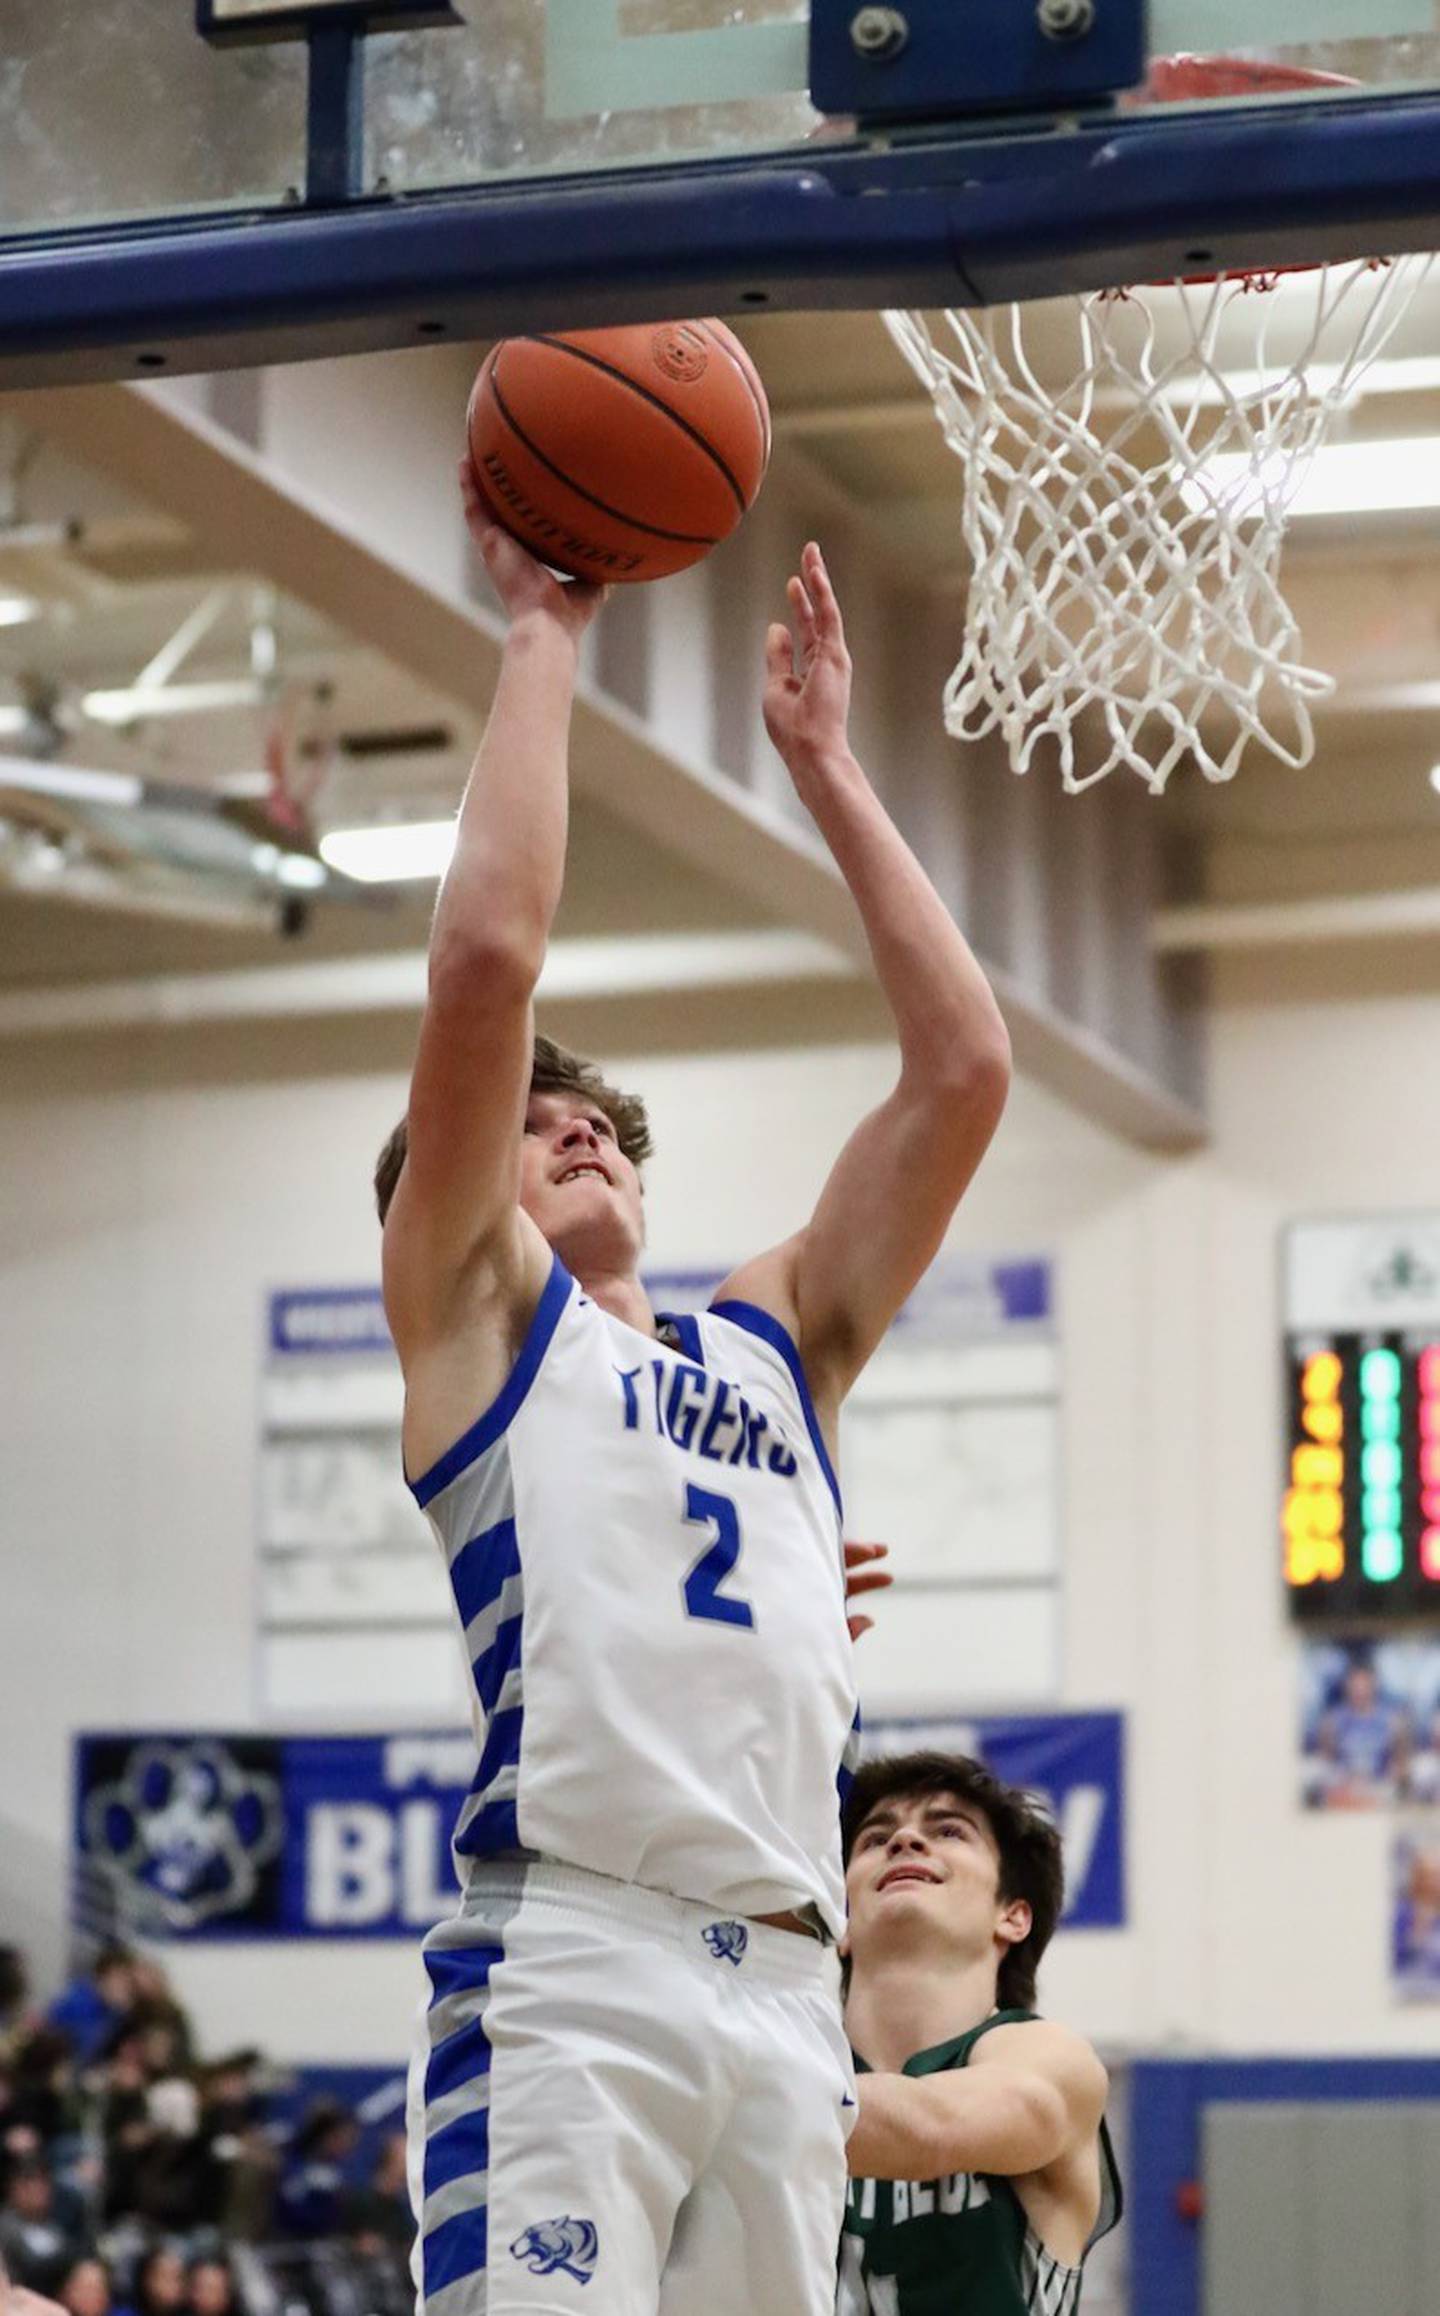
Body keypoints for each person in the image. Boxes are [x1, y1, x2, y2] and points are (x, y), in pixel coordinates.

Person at [375, 488, 1011, 2316]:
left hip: (787, 1983)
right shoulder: (485, 1330)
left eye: (600, 1121)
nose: (572, 1123)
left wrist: (828, 769)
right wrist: (543, 635)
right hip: (578, 1954)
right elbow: (489, 963)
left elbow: (964, 1068)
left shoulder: (768, 1342)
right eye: (529, 1124)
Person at [839, 1752, 1121, 2316]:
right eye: (875, 1838)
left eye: (948, 1831)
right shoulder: (793, 2054)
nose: (906, 1841)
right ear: (839, 1918)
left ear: (1013, 1916)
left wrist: (726, 2092)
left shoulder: (1047, 2056)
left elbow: (929, 2128)